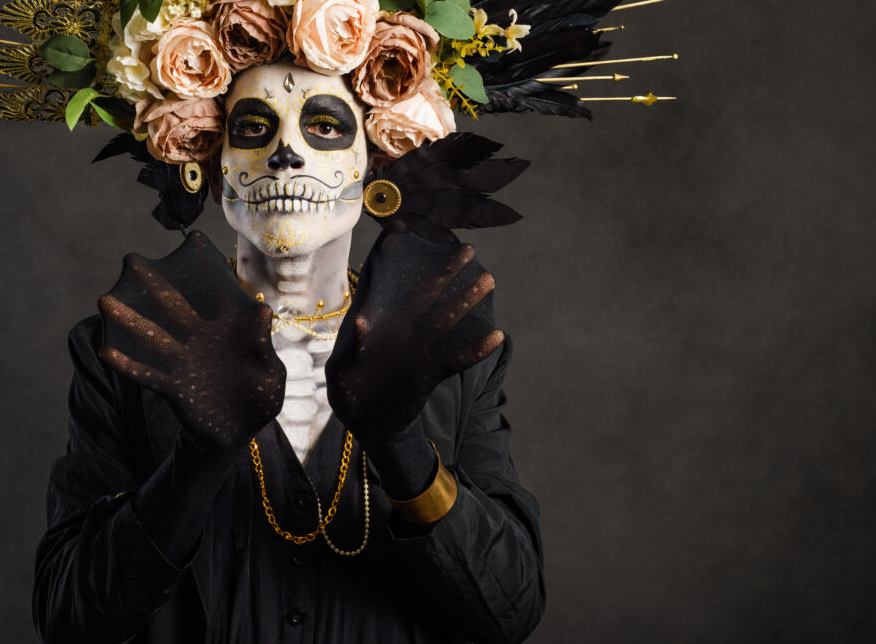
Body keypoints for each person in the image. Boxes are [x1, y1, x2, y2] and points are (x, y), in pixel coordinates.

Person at [32, 61, 545, 643]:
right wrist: (195, 461)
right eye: (254, 127)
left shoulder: (451, 351)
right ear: (212, 164)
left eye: (325, 126)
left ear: (374, 162)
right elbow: (71, 621)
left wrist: (403, 448)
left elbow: (510, 611)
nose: (286, 155)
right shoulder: (126, 348)